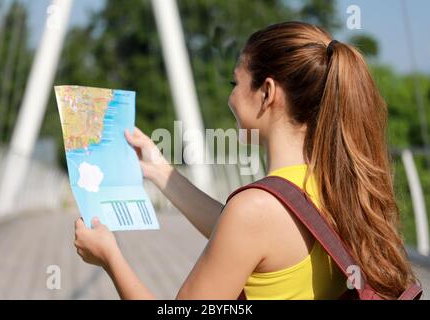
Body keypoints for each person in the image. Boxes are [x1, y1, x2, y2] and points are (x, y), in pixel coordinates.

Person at [74, 21, 417, 300]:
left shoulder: (255, 210)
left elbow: (246, 227)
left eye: (235, 82)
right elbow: (244, 235)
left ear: (267, 93)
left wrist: (110, 257)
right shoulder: (333, 184)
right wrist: (159, 170)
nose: (230, 97)